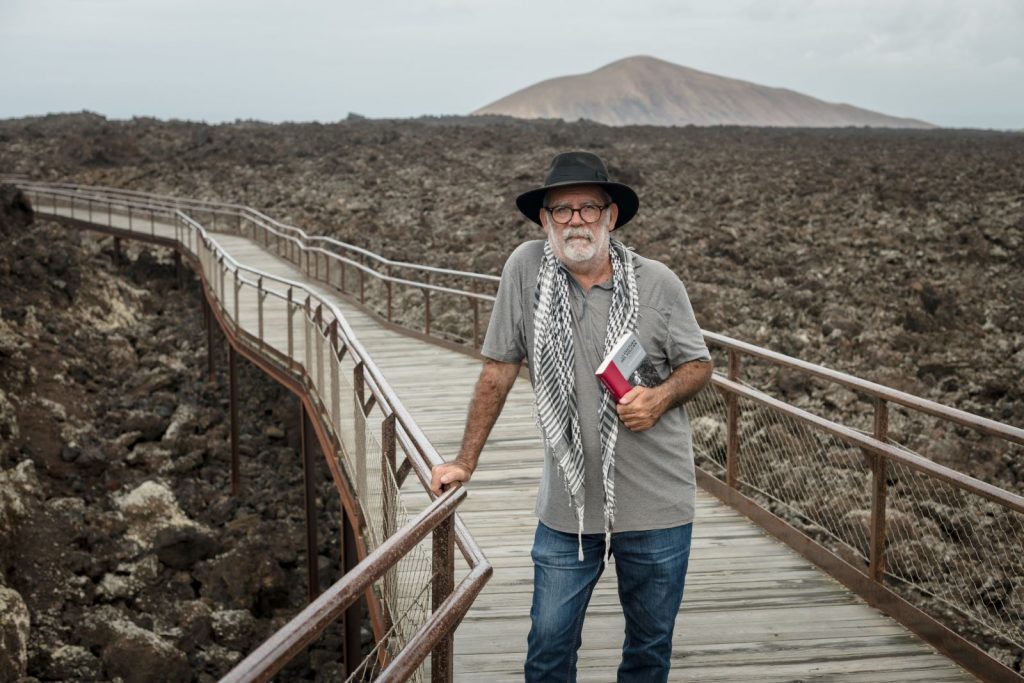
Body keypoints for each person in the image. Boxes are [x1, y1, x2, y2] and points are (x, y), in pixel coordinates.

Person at [430, 151, 713, 682]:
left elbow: (698, 365)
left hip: (657, 505)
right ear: (545, 220)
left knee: (649, 649)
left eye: (589, 208)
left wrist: (659, 398)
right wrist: (464, 461)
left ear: (611, 216)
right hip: (567, 507)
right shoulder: (525, 270)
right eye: (562, 210)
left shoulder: (658, 283)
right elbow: (498, 369)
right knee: (548, 646)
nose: (576, 220)